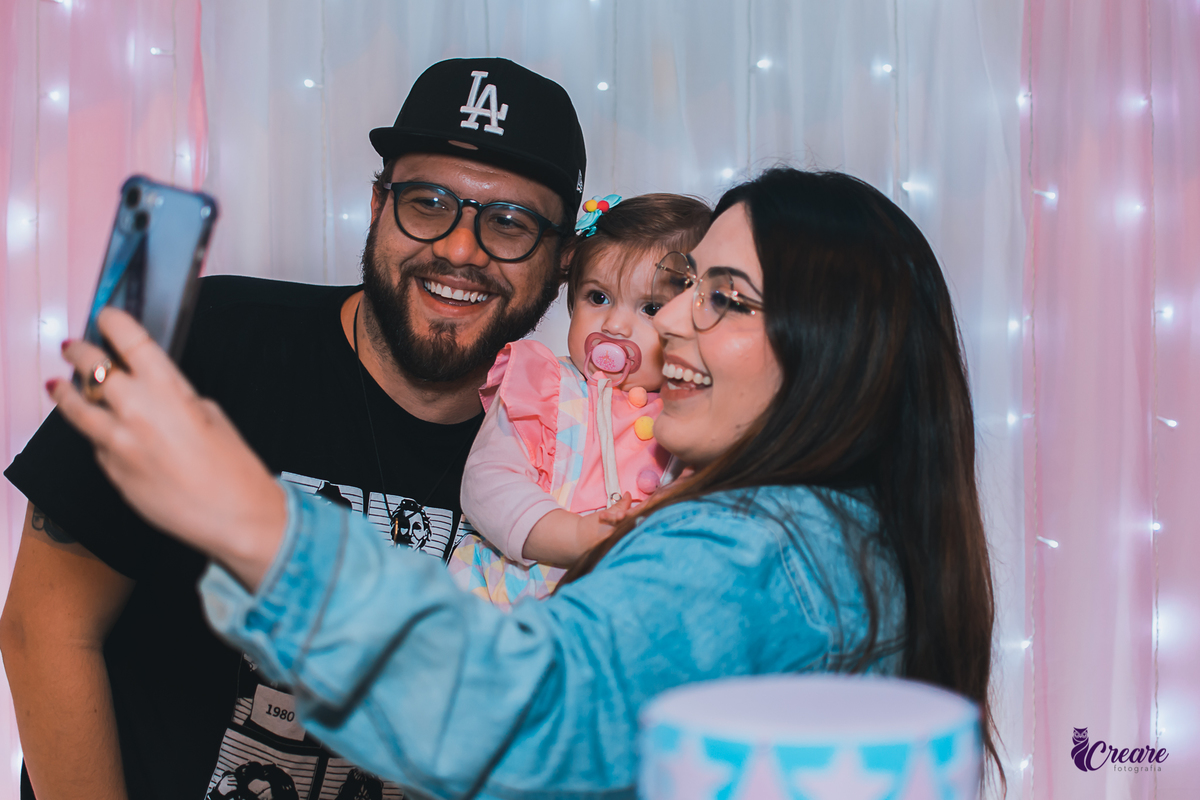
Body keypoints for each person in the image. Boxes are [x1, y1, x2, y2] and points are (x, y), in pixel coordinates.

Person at [47, 167, 1001, 797]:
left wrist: (247, 515)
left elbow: (508, 716)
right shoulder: (851, 540)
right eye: (686, 288)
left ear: (832, 349)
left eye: (724, 298)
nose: (672, 322)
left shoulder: (761, 549)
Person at [0, 57, 586, 800]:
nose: (460, 250)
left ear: (563, 260)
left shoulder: (569, 440)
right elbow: (44, 628)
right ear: (377, 205)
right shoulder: (198, 335)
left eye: (509, 223)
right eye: (429, 202)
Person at [450, 193, 711, 608]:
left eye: (650, 307)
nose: (615, 325)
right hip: (506, 594)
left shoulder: (696, 414)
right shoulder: (544, 386)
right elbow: (485, 483)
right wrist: (574, 537)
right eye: (598, 297)